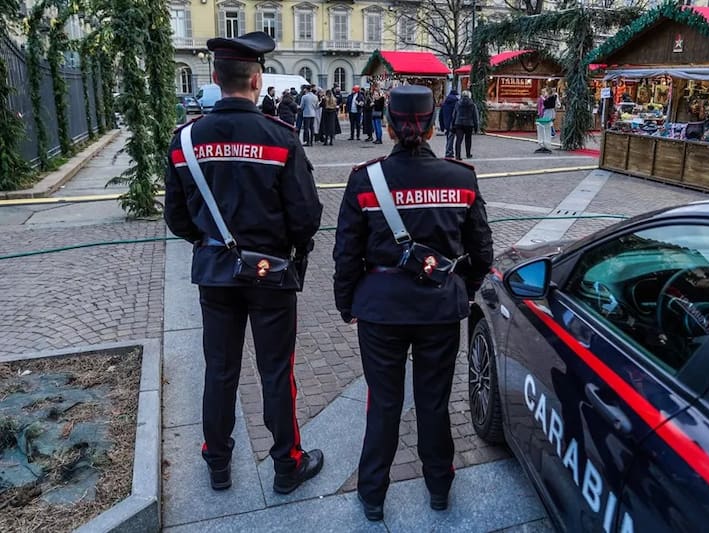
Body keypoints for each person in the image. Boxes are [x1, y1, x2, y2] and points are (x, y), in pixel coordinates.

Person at [164, 31, 324, 494]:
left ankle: (217, 463)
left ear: (215, 79)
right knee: (276, 372)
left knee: (219, 370)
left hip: (215, 273)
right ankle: (287, 464)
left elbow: (176, 217)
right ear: (257, 81)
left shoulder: (185, 140)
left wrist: (210, 242)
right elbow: (306, 216)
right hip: (271, 275)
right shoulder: (281, 138)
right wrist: (286, 246)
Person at [333, 85, 493, 522]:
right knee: (434, 401)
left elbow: (346, 253)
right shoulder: (461, 178)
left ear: (388, 125)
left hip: (380, 309)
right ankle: (439, 487)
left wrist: (347, 303)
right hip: (439, 308)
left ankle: (373, 494)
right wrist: (461, 288)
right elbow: (482, 250)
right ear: (433, 125)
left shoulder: (365, 180)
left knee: (384, 403)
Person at [452, 90, 479, 160]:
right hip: (469, 124)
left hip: (459, 123)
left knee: (458, 140)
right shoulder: (472, 104)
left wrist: (453, 124)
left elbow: (454, 114)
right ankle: (468, 154)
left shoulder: (458, 103)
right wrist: (476, 127)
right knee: (468, 139)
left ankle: (457, 155)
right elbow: (475, 116)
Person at [438, 88, 459, 158]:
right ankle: (449, 152)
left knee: (449, 138)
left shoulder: (444, 103)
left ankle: (450, 151)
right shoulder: (456, 103)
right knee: (452, 138)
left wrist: (442, 126)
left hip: (446, 123)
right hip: (454, 122)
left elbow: (440, 115)